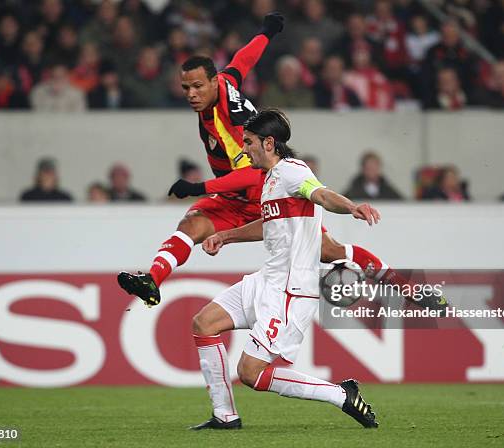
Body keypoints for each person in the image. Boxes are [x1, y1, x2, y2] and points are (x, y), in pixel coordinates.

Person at [117, 13, 444, 313]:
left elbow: (248, 176)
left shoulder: (229, 123)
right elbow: (242, 61)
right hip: (236, 198)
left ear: (214, 82)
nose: (190, 94)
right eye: (186, 87)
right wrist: (266, 32)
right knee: (191, 227)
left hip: (266, 195)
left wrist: (200, 186)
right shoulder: (225, 85)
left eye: (198, 86)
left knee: (331, 251)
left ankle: (411, 291)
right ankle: (152, 281)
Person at [193, 109, 380, 430]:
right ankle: (224, 416)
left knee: (250, 373)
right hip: (267, 280)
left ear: (268, 143)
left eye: (248, 142)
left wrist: (351, 207)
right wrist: (225, 235)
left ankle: (341, 395)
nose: (243, 149)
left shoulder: (292, 171)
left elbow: (320, 194)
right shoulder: (270, 179)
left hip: (290, 291)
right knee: (203, 323)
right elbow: (269, 224)